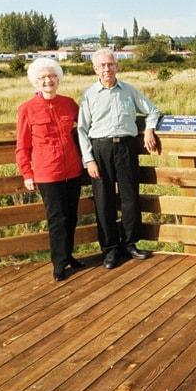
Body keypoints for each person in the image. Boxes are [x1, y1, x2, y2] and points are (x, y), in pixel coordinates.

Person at [77, 48, 161, 269]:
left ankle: (130, 244)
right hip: (100, 150)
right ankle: (111, 250)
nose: (107, 69)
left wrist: (149, 130)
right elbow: (82, 130)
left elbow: (153, 110)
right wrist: (89, 159)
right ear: (95, 69)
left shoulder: (129, 91)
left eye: (110, 64)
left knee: (130, 197)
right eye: (102, 65)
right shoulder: (89, 95)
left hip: (126, 147)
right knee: (104, 201)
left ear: (117, 66)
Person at [16, 58, 85, 281]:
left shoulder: (68, 103)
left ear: (58, 78)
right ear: (36, 82)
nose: (48, 81)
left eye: (52, 76)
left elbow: (87, 125)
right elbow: (22, 145)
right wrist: (27, 172)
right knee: (57, 218)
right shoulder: (27, 109)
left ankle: (68, 255)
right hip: (47, 172)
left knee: (72, 215)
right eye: (43, 77)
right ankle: (58, 263)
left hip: (72, 170)